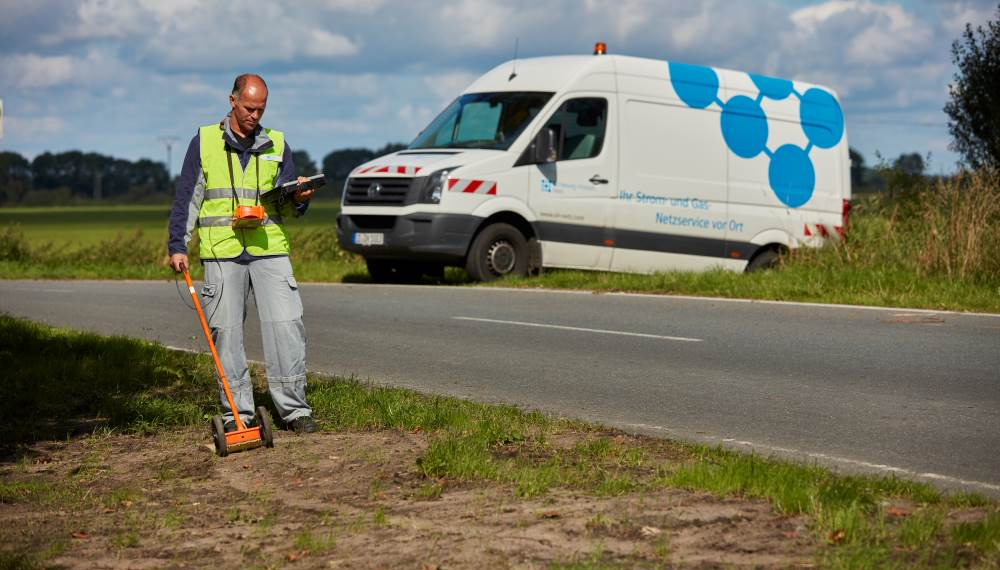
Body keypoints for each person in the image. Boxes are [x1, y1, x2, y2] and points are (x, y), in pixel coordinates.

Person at [167, 74, 318, 434]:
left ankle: (294, 410)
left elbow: (286, 204)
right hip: (222, 252)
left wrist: (299, 199)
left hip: (269, 249)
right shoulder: (203, 141)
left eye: (261, 109)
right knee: (227, 332)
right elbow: (188, 196)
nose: (254, 115)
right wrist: (178, 244)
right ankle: (240, 414)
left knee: (287, 328)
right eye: (249, 107)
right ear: (232, 101)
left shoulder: (278, 144)